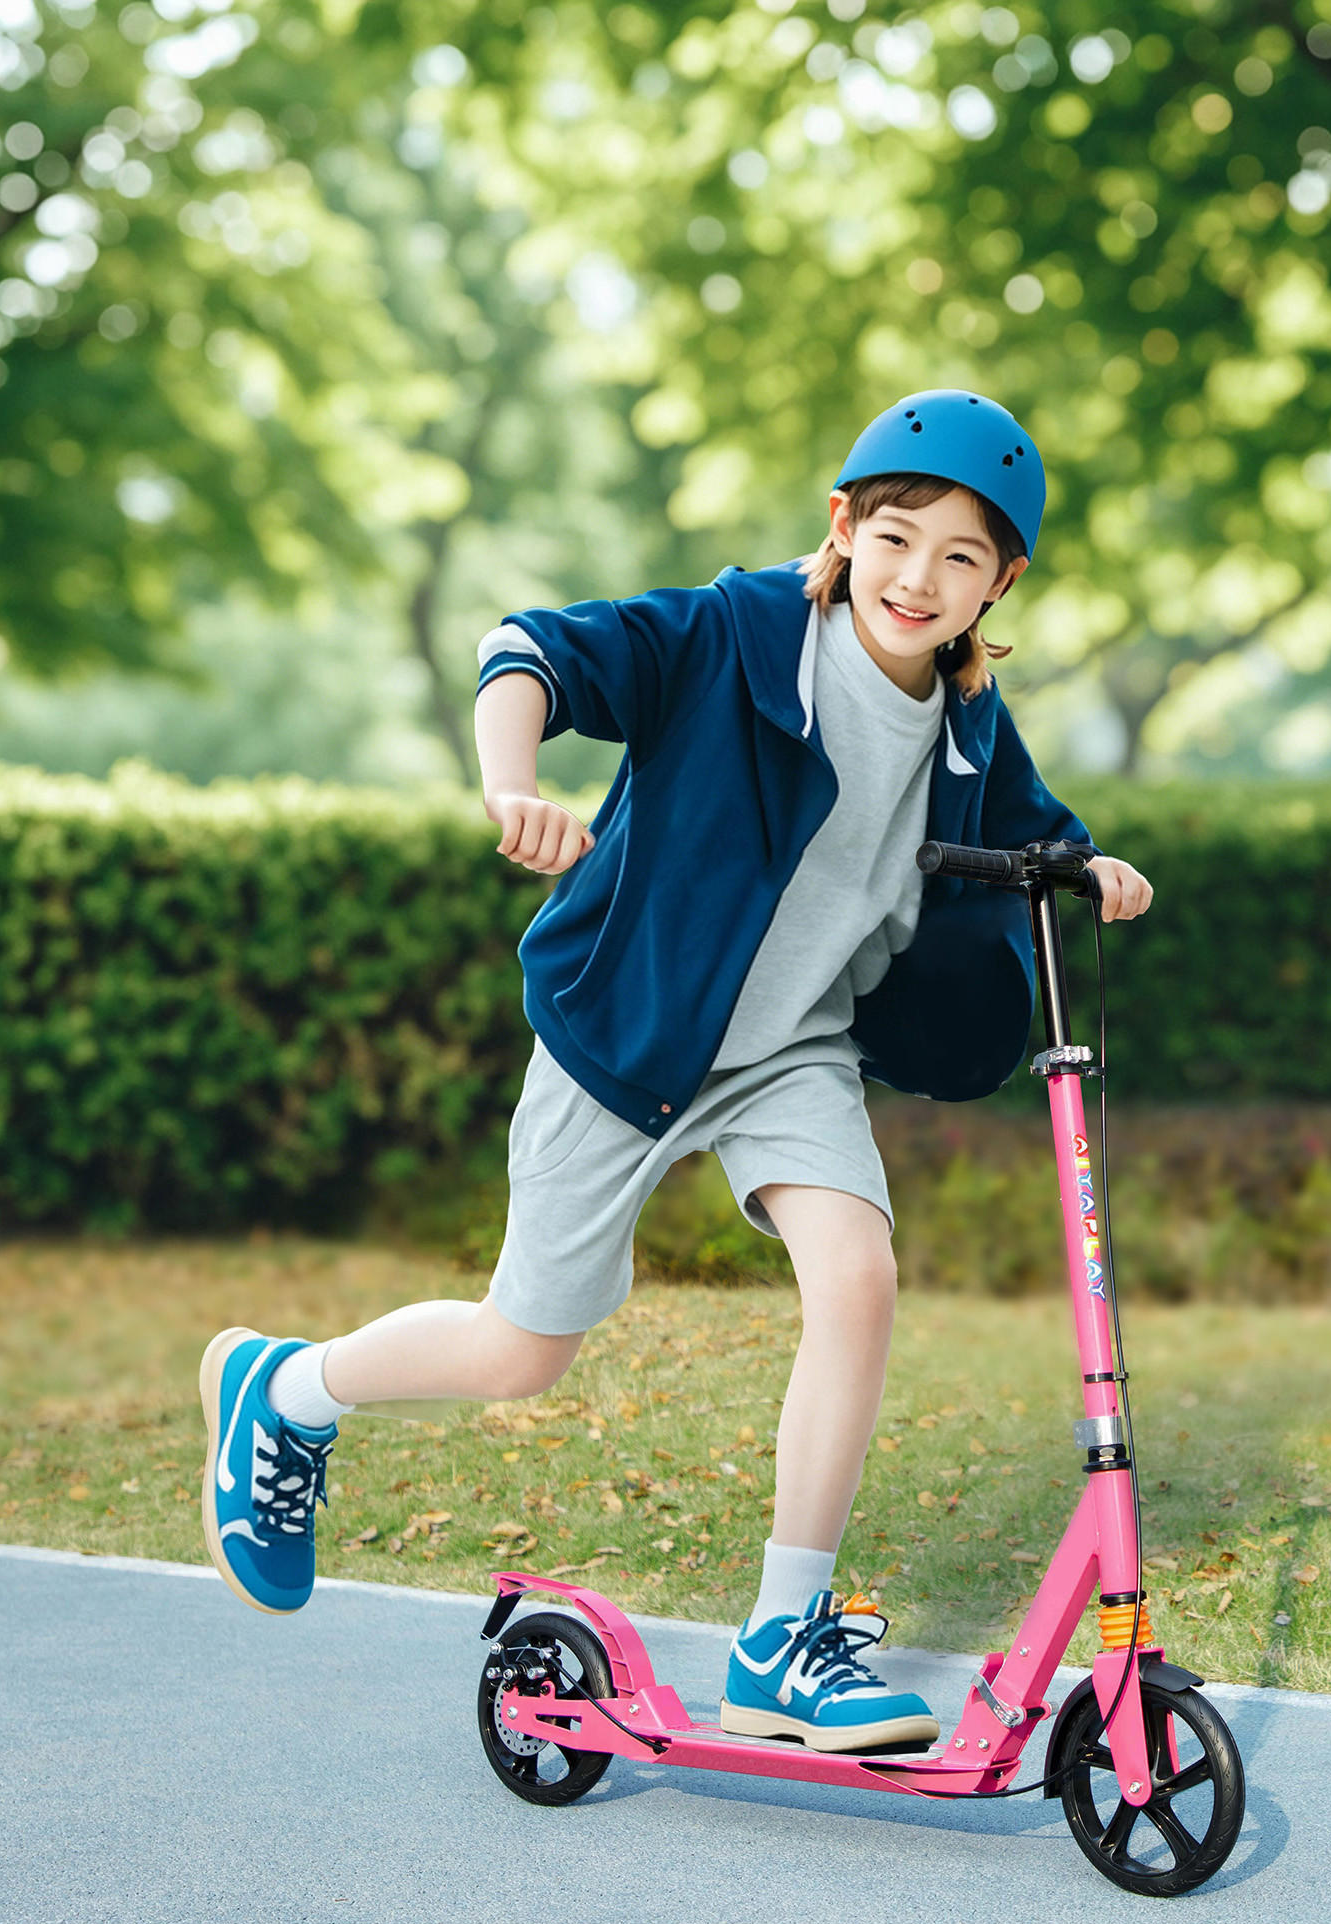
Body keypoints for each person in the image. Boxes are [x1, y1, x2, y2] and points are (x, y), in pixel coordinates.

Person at [198, 389, 1153, 1752]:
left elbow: (1031, 830)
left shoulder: (967, 720)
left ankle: (784, 1635)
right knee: (521, 1351)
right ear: (842, 525)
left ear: (1001, 582)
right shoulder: (734, 633)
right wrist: (512, 780)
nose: (917, 578)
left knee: (860, 1277)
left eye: (959, 558)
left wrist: (1089, 863)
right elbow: (532, 651)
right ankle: (284, 1391)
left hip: (790, 1055)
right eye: (896, 537)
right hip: (630, 1036)